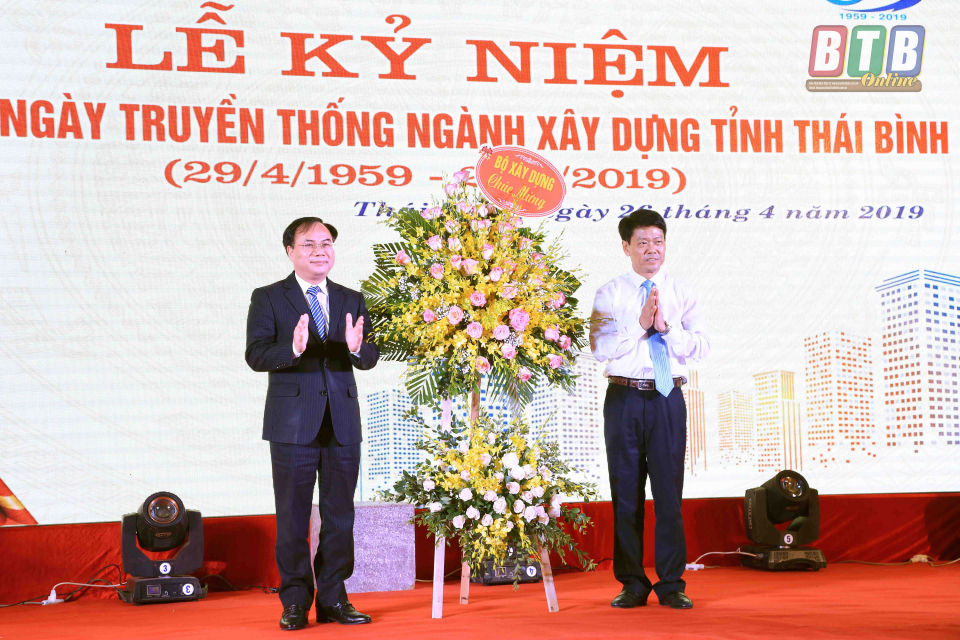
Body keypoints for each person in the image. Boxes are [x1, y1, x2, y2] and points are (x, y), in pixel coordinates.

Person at [246, 217, 379, 630]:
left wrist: (356, 349)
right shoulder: (269, 297)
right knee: (293, 518)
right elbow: (255, 355)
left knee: (340, 518)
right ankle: (295, 602)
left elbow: (369, 355)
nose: (320, 251)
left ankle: (334, 599)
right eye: (309, 244)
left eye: (326, 243)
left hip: (342, 423)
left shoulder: (351, 298)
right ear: (290, 251)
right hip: (292, 425)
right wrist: (292, 347)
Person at [589, 208, 709, 611]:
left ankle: (672, 584)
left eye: (658, 241)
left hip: (667, 397)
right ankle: (632, 583)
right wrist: (639, 325)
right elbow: (599, 348)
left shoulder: (682, 292)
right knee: (626, 495)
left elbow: (702, 347)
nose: (651, 250)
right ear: (626, 247)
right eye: (642, 243)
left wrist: (666, 330)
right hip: (623, 398)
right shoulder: (609, 293)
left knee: (669, 495)